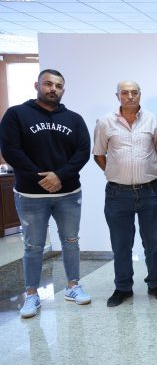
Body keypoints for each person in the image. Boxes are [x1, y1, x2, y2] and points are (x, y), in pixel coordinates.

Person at [0, 69, 91, 318]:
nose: (53, 89)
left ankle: (73, 286)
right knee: (33, 245)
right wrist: (41, 177)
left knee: (71, 241)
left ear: (63, 90)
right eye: (48, 84)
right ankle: (31, 295)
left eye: (58, 86)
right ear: (37, 85)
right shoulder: (16, 114)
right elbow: (11, 150)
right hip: (30, 195)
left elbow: (82, 152)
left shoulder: (74, 119)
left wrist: (59, 176)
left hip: (68, 193)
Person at [93, 80, 157, 307]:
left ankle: (155, 284)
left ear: (140, 95)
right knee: (121, 245)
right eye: (125, 93)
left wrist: (153, 171)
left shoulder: (152, 120)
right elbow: (99, 154)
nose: (130, 96)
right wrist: (115, 173)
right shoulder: (105, 122)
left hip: (150, 192)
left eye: (134, 92)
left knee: (153, 244)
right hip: (118, 194)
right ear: (117, 96)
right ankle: (123, 287)